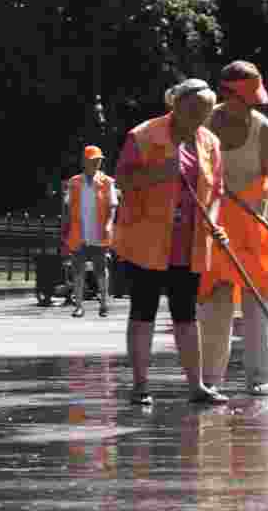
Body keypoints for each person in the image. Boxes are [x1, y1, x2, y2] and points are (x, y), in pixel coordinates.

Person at [113, 78, 229, 406]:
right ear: (175, 105)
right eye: (193, 110)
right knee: (143, 310)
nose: (199, 118)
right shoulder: (143, 135)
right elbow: (122, 179)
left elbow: (216, 190)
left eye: (205, 112)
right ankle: (140, 386)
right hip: (147, 239)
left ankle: (197, 387)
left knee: (186, 314)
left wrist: (216, 225)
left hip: (190, 242)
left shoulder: (209, 143)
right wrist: (158, 173)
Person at [199, 61, 268, 396]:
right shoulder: (204, 128)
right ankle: (210, 379)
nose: (254, 104)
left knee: (258, 306)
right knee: (214, 304)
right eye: (247, 98)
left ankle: (261, 377)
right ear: (226, 93)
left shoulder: (263, 130)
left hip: (255, 229)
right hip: (214, 230)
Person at [61, 145, 118, 318]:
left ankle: (104, 305)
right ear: (85, 162)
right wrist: (66, 229)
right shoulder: (74, 182)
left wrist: (109, 223)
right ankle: (78, 306)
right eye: (93, 160)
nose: (97, 163)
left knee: (101, 270)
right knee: (78, 271)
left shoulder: (108, 182)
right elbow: (67, 206)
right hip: (79, 234)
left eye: (99, 160)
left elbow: (112, 206)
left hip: (99, 233)